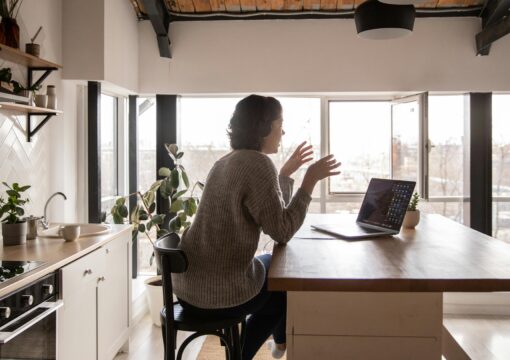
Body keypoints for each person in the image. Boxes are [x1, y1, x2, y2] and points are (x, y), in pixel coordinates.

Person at [173, 94, 341, 359]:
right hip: (218, 293)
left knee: (273, 266)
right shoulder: (258, 164)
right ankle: (244, 354)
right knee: (284, 289)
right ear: (263, 127)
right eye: (279, 124)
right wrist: (309, 180)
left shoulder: (227, 161)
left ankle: (280, 344)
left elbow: (271, 214)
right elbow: (282, 231)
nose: (283, 131)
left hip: (188, 287)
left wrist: (284, 176)